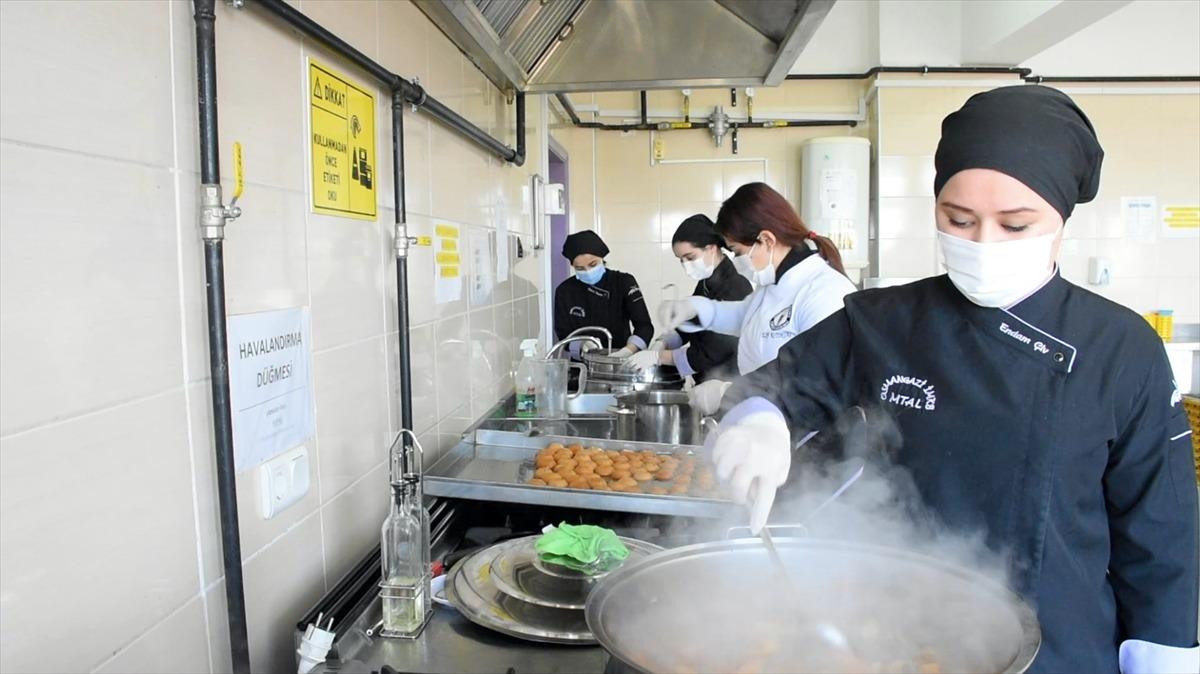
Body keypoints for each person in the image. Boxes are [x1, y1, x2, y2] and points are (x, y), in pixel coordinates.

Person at [708, 86, 1198, 674]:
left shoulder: (1119, 348)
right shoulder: (883, 321)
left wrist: (1163, 659)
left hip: (1060, 645)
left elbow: (1160, 533)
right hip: (890, 635)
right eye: (958, 220)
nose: (982, 245)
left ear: (1062, 219)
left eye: (1015, 225)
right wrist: (760, 422)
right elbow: (775, 387)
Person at [657, 183, 857, 414]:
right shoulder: (772, 285)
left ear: (767, 240)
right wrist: (695, 308)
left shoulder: (825, 292)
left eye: (738, 252)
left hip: (807, 434)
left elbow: (815, 379)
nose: (737, 261)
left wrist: (730, 392)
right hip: (765, 416)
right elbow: (744, 316)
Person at [623, 214, 753, 383]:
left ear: (711, 248)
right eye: (681, 260)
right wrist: (665, 340)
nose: (686, 264)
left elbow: (713, 351)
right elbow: (692, 321)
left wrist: (659, 357)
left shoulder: (735, 285)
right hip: (706, 377)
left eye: (690, 257)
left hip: (727, 382)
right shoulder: (706, 281)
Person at [553, 230, 653, 358]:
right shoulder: (565, 291)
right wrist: (581, 344)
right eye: (580, 268)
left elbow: (644, 326)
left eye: (593, 264)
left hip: (621, 361)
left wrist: (628, 351)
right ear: (572, 265)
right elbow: (563, 334)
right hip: (582, 365)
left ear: (602, 258)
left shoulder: (623, 282)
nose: (588, 271)